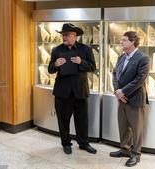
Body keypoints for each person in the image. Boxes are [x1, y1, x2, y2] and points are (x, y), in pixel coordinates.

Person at [48, 23, 97, 155]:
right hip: (62, 92)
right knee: (63, 120)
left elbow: (93, 67)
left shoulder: (85, 49)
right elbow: (50, 69)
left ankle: (83, 143)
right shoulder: (56, 50)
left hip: (80, 90)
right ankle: (66, 143)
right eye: (63, 35)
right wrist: (56, 64)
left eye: (67, 35)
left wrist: (81, 62)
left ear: (74, 35)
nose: (64, 37)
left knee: (82, 120)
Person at [110, 31, 149, 167]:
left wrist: (123, 91)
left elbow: (139, 80)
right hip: (121, 98)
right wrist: (117, 91)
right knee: (123, 126)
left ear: (133, 42)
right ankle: (124, 149)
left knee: (136, 129)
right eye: (122, 40)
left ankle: (135, 155)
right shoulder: (121, 57)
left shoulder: (143, 58)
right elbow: (115, 74)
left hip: (135, 99)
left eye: (124, 40)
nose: (121, 42)